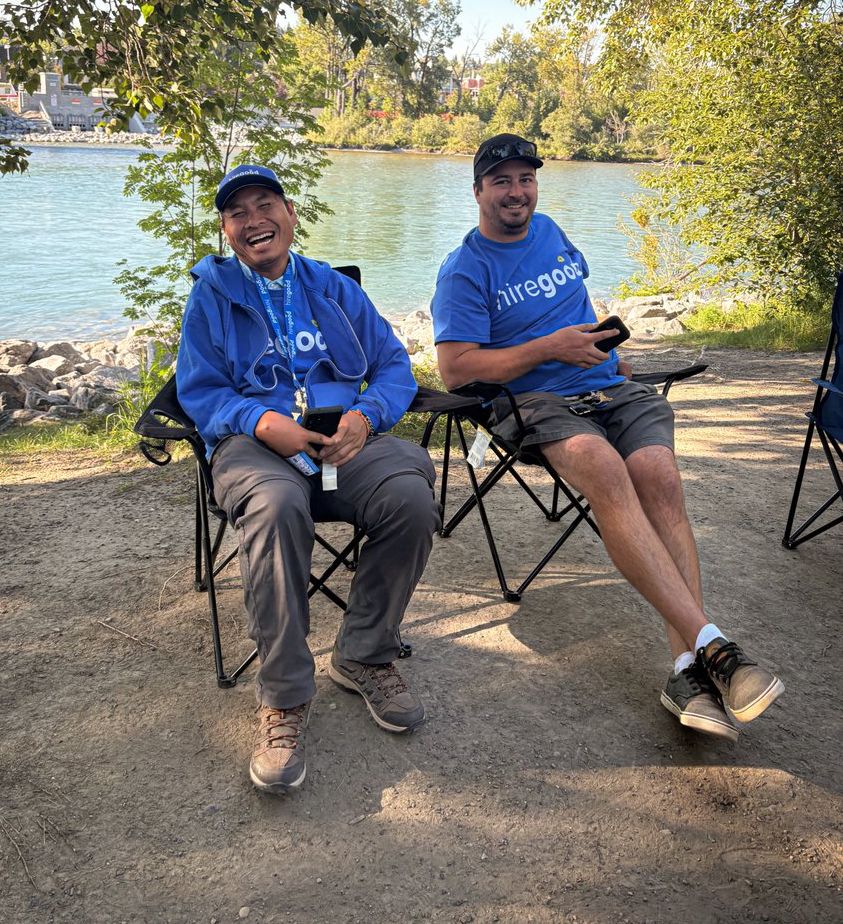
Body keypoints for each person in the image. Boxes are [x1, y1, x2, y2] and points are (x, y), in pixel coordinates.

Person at [430, 132, 784, 743]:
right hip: (534, 402)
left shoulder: (552, 233)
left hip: (607, 385)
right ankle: (714, 647)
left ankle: (685, 670)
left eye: (526, 179)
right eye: (503, 181)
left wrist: (600, 344)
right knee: (604, 467)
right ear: (479, 192)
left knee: (660, 477)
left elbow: (576, 303)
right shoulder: (465, 270)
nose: (517, 192)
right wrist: (549, 349)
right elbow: (455, 369)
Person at [176, 162, 437, 794]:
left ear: (291, 215)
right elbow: (200, 391)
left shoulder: (334, 289)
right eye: (238, 213)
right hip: (256, 446)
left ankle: (365, 652)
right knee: (273, 508)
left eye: (266, 205)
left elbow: (395, 368)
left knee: (408, 491)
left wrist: (365, 417)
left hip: (340, 444)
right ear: (226, 231)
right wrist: (262, 422)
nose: (254, 220)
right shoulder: (211, 295)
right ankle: (285, 696)